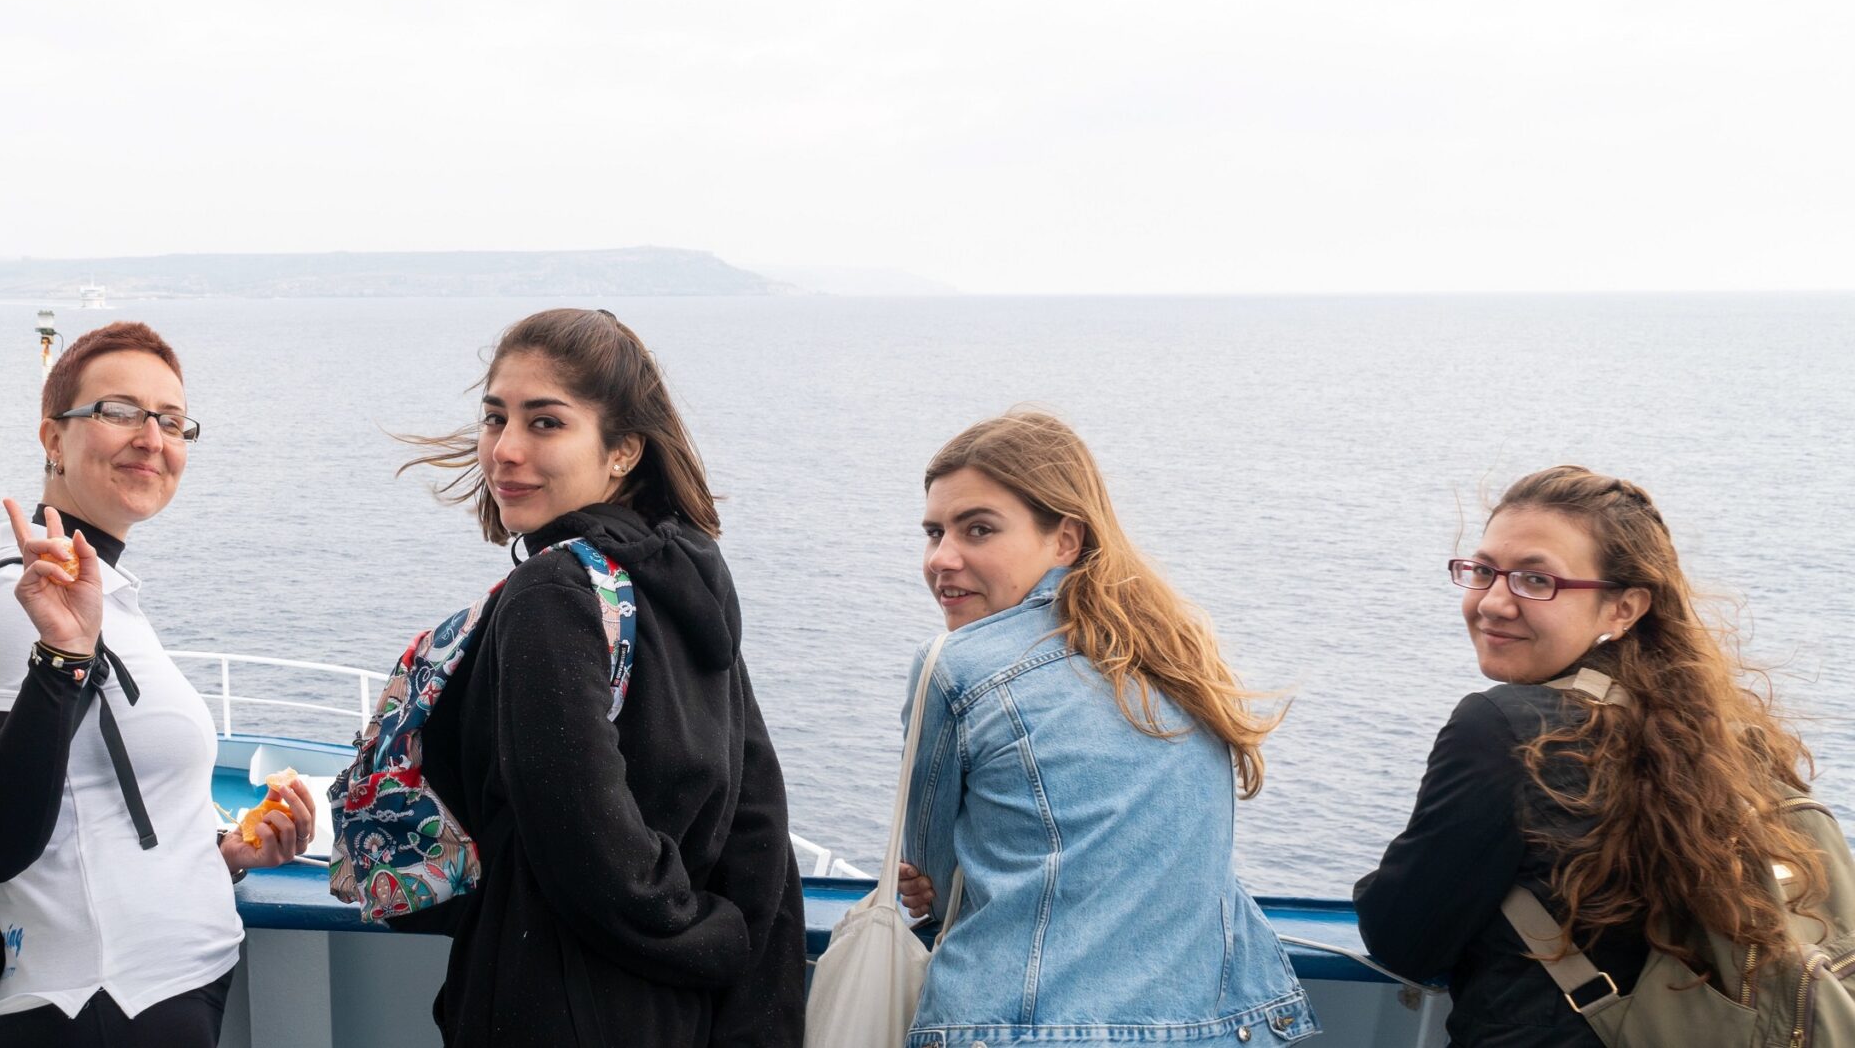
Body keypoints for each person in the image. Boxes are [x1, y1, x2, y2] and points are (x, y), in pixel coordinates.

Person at [386, 307, 804, 1048]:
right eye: (494, 417)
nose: (504, 450)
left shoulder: (553, 595)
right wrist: (733, 952)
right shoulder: (689, 579)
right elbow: (758, 816)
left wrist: (704, 933)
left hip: (554, 1003)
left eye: (545, 422)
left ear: (622, 452)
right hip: (676, 1012)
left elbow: (588, 848)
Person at [1355, 466, 1827, 1047]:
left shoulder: (1500, 728)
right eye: (1483, 571)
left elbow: (1405, 939)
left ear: (1623, 608)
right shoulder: (1721, 735)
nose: (1495, 603)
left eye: (1535, 580)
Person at [0, 320, 315, 1048]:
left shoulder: (106, 593)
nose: (152, 437)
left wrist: (227, 849)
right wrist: (60, 656)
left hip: (161, 998)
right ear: (53, 437)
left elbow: (96, 821)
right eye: (119, 411)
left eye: (171, 420)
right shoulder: (13, 600)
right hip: (95, 1011)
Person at [893, 409, 1316, 1047]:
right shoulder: (1175, 649)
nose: (942, 559)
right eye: (934, 532)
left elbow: (930, 877)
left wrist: (928, 887)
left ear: (1066, 538)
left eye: (978, 529)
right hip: (1221, 1027)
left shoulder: (956, 667)